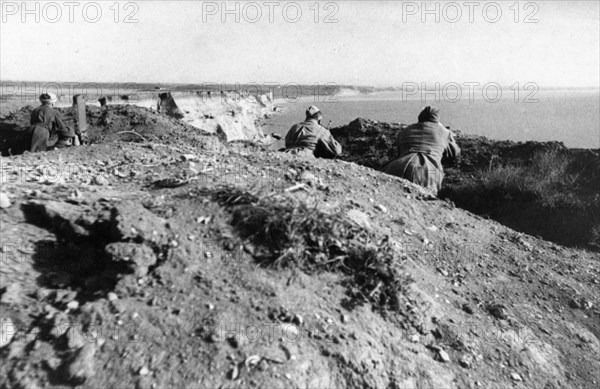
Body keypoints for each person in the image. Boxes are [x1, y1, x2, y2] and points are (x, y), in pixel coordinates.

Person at [383, 106, 460, 194]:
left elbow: (399, 152)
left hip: (396, 165)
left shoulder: (405, 131)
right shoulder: (445, 132)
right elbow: (455, 152)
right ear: (437, 120)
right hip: (426, 171)